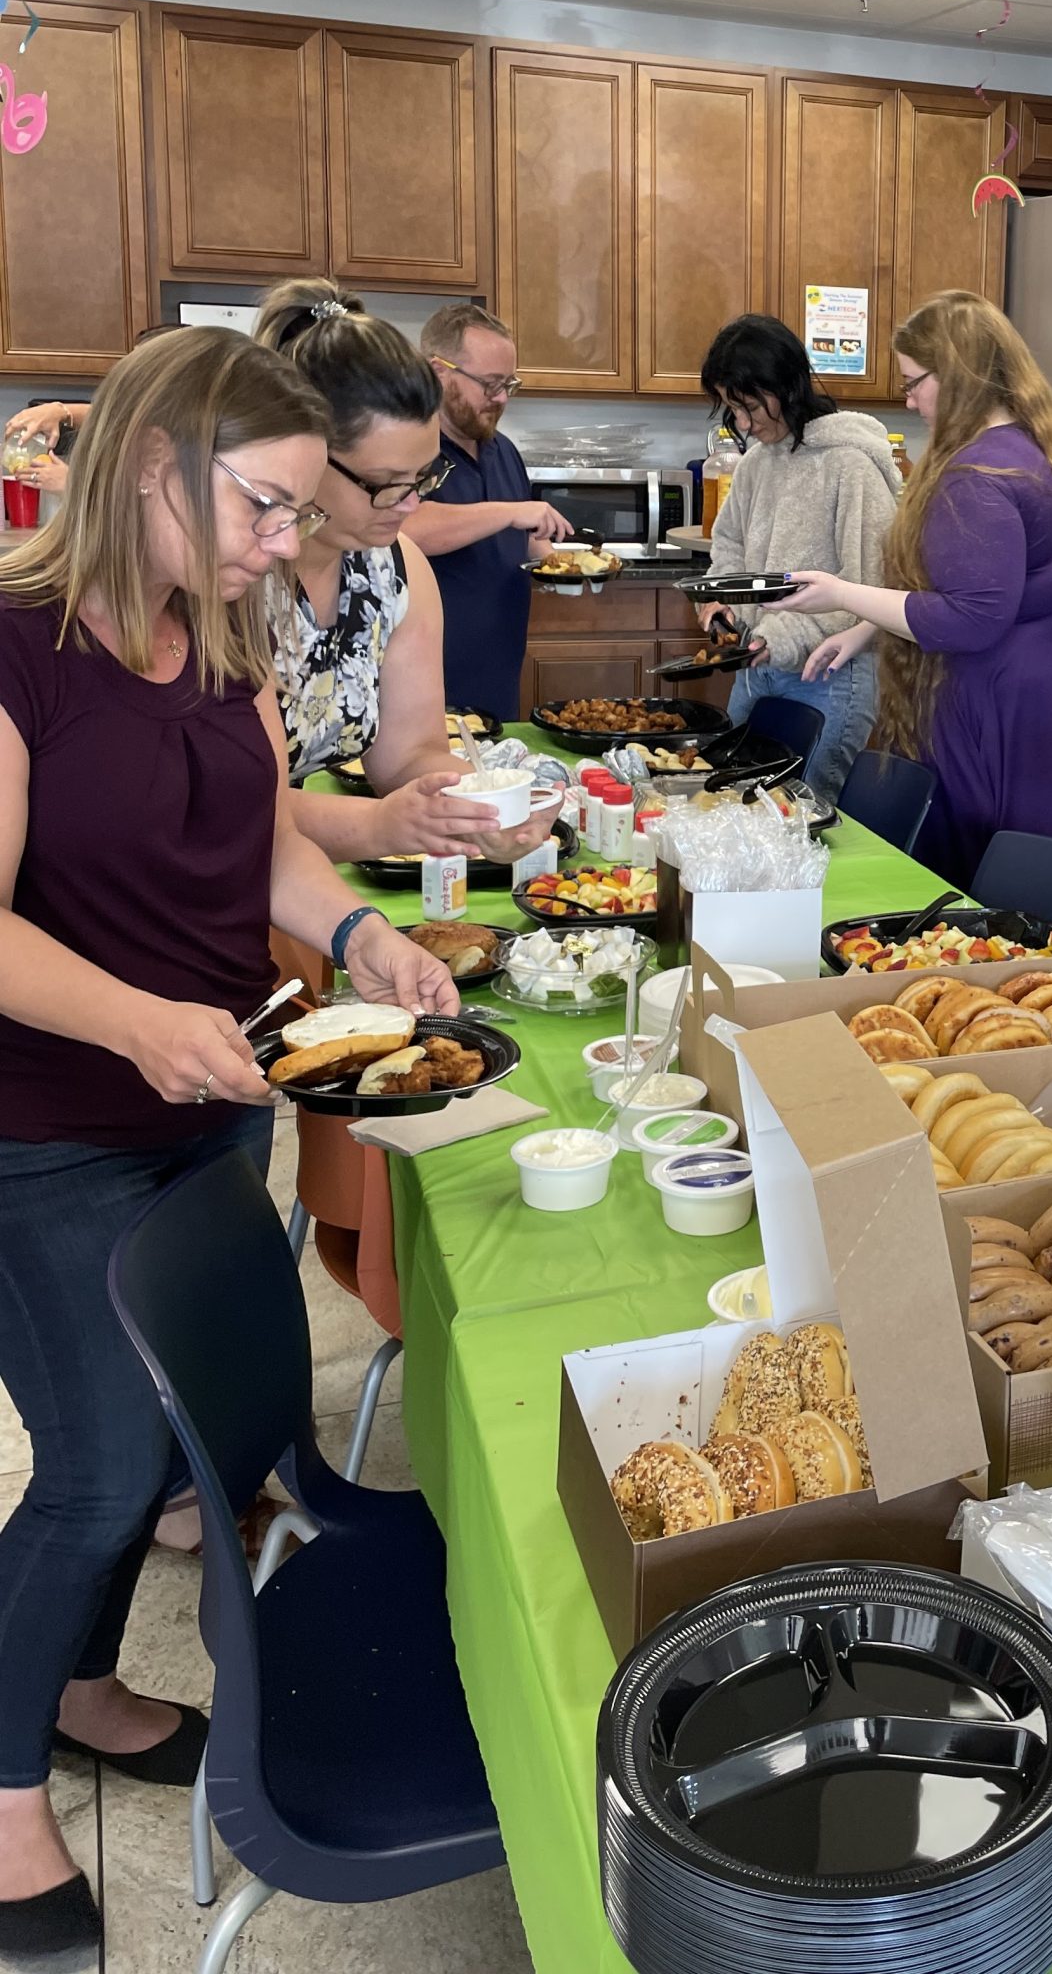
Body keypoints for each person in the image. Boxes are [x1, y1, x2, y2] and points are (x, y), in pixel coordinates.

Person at [0, 328, 455, 1955]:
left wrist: (358, 941)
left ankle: (80, 1682)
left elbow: (259, 849)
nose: (291, 538)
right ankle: (2, 1807)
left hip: (210, 1101)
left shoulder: (221, 633)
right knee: (106, 1460)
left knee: (169, 1440)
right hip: (49, 1124)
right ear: (149, 470)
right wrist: (133, 1020)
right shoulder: (19, 647)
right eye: (263, 504)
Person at [788, 289, 1052, 896]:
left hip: (1007, 709)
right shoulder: (1036, 446)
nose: (908, 398)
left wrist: (842, 592)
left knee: (1007, 905)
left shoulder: (975, 476)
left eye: (915, 382)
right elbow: (1005, 586)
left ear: (961, 378)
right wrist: (870, 626)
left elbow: (970, 618)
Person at [252, 283, 562, 866]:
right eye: (388, 483)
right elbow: (240, 806)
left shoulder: (396, 571)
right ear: (305, 454)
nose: (410, 506)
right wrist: (383, 825)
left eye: (423, 479)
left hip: (288, 871)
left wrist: (477, 803)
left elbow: (408, 754)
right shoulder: (237, 578)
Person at [695, 314, 900, 804]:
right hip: (758, 669)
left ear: (784, 384)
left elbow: (872, 586)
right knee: (732, 805)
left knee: (802, 821)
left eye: (749, 406)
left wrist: (778, 637)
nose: (743, 423)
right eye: (731, 409)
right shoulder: (755, 466)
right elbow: (730, 550)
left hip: (830, 677)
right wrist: (725, 609)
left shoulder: (849, 465)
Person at [401, 301, 568, 721]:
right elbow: (409, 528)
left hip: (498, 678)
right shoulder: (408, 449)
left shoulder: (504, 451)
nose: (501, 398)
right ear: (438, 371)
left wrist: (558, 563)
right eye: (489, 384)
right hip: (426, 687)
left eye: (509, 384)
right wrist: (510, 512)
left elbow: (524, 536)